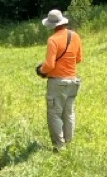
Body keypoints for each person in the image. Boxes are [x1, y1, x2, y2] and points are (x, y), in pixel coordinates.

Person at [36, 9, 83, 152]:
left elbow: (50, 65)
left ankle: (59, 146)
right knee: (69, 113)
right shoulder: (75, 36)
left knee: (54, 114)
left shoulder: (53, 40)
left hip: (58, 83)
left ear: (52, 25)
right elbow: (79, 59)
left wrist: (40, 70)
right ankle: (69, 143)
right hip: (73, 80)